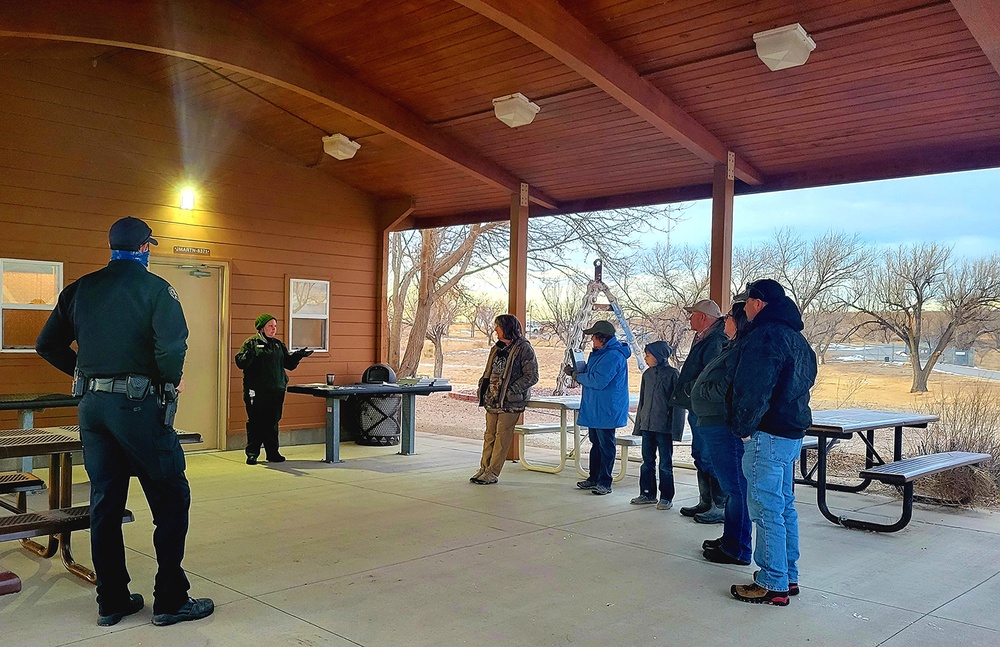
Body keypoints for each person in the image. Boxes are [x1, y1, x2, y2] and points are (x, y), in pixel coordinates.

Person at [36, 216, 214, 627]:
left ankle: (112, 599)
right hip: (138, 409)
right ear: (147, 248)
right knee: (171, 499)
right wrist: (169, 383)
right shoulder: (157, 290)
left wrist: (85, 372)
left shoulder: (80, 289)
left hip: (92, 409)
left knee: (105, 503)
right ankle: (171, 599)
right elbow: (171, 347)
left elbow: (46, 343)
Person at [728, 279, 817, 606]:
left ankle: (772, 581)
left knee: (766, 509)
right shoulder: (797, 339)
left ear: (758, 303)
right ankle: (787, 574)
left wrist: (744, 428)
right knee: (783, 506)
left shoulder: (765, 338)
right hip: (791, 433)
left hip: (767, 434)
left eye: (747, 302)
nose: (744, 309)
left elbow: (753, 389)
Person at [691, 301, 753, 566]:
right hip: (713, 421)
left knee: (736, 488)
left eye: (728, 317)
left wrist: (703, 394)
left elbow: (729, 386)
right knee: (733, 486)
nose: (724, 320)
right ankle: (731, 538)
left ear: (737, 323)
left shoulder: (739, 350)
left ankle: (737, 547)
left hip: (723, 424)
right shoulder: (732, 346)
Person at [671, 299, 728, 523]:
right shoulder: (706, 337)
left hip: (707, 408)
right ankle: (706, 501)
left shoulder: (715, 340)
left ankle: (719, 505)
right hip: (697, 405)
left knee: (709, 455)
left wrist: (689, 388)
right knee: (700, 454)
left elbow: (710, 374)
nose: (690, 318)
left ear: (703, 317)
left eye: (692, 314)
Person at [235, 314, 313, 464]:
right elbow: (241, 363)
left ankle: (273, 453)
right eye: (270, 326)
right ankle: (252, 453)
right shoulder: (251, 343)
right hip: (256, 391)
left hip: (276, 390)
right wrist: (250, 353)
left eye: (275, 326)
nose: (274, 329)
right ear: (261, 328)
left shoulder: (278, 345)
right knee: (255, 422)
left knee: (272, 421)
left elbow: (289, 364)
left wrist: (298, 355)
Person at [472, 314, 539, 485]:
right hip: (492, 400)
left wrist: (511, 390)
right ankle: (484, 468)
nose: (495, 329)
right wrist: (483, 386)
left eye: (498, 326)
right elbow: (489, 371)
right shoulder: (496, 348)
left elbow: (532, 376)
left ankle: (493, 472)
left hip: (510, 403)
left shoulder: (524, 348)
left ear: (507, 328)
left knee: (502, 437)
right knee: (489, 436)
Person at [565, 320, 631, 496]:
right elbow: (594, 375)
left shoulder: (613, 356)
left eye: (594, 336)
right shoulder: (602, 353)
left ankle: (604, 481)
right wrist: (578, 370)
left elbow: (598, 380)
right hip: (597, 407)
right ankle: (594, 477)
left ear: (602, 338)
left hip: (606, 408)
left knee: (606, 445)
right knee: (596, 443)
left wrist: (577, 376)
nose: (592, 340)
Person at [630, 341, 684, 509]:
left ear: (659, 356)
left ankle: (666, 496)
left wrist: (676, 430)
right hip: (647, 425)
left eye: (648, 355)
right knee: (647, 461)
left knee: (665, 463)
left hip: (664, 427)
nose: (646, 358)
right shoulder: (647, 375)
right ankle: (647, 493)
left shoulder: (673, 374)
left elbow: (678, 405)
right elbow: (642, 402)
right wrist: (639, 424)